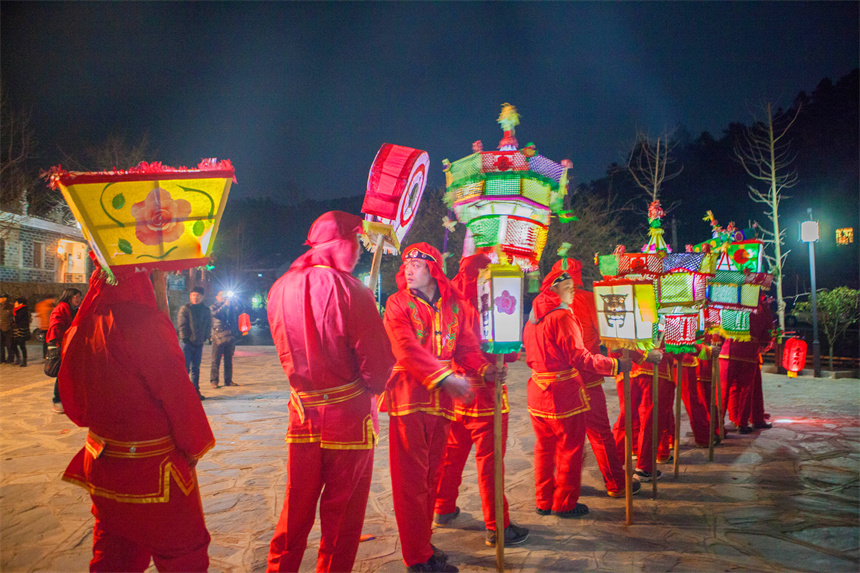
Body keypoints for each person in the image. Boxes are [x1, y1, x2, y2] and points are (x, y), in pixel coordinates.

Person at [60, 261, 215, 571]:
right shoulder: (145, 324)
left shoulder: (83, 324)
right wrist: (193, 444)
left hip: (102, 461)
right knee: (183, 554)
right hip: (152, 468)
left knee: (114, 555)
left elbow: (74, 401)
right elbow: (177, 393)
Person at [265, 211, 395, 572]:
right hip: (349, 417)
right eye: (356, 243)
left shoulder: (279, 288)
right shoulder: (352, 290)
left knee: (295, 507)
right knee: (343, 514)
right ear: (341, 245)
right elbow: (378, 370)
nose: (359, 252)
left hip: (303, 414)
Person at [383, 242, 502, 573]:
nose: (408, 269)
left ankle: (422, 542)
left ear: (433, 269)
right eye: (406, 264)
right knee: (411, 482)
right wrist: (445, 377)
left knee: (431, 478)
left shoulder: (455, 306)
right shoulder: (397, 303)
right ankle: (417, 559)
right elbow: (405, 348)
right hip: (409, 399)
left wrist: (484, 369)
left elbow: (466, 348)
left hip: (443, 404)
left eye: (417, 265)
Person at [433, 253, 529, 548]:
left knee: (451, 455)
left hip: (454, 392)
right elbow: (510, 353)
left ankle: (443, 507)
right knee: (490, 463)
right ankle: (497, 525)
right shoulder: (492, 297)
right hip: (486, 394)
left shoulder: (447, 302)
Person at [524, 262, 632, 519]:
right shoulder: (562, 316)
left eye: (573, 285)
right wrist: (615, 364)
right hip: (563, 392)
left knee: (544, 448)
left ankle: (543, 499)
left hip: (537, 391)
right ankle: (564, 502)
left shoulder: (533, 317)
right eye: (567, 286)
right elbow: (580, 357)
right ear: (554, 289)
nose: (572, 291)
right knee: (571, 448)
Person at [565, 258, 641, 498]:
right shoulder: (588, 299)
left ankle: (565, 485)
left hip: (559, 382)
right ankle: (616, 483)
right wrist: (637, 356)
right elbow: (612, 335)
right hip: (587, 377)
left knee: (566, 437)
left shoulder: (544, 305)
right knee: (599, 432)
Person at [611, 346, 670, 482]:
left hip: (626, 367)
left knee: (625, 418)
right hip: (654, 367)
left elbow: (612, 344)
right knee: (650, 420)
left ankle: (613, 468)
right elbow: (676, 345)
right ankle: (644, 467)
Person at [719, 295, 774, 433]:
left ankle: (717, 425)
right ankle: (742, 423)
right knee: (745, 389)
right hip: (749, 351)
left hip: (728, 350)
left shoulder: (731, 302)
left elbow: (720, 327)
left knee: (724, 389)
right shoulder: (761, 308)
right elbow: (767, 333)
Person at [47, 288, 83, 414]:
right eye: (75, 296)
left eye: (79, 296)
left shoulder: (75, 309)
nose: (78, 299)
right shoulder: (61, 308)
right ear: (68, 297)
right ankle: (57, 401)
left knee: (71, 373)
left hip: (71, 345)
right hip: (61, 345)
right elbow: (55, 326)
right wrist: (59, 342)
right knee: (62, 373)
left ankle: (70, 400)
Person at [177, 287, 212, 400]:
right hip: (187, 343)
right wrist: (184, 338)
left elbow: (208, 324)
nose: (195, 298)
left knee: (196, 368)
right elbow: (182, 324)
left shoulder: (206, 310)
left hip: (199, 342)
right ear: (190, 296)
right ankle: (182, 392)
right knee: (185, 368)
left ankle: (196, 391)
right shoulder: (185, 309)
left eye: (198, 296)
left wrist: (206, 336)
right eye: (193, 295)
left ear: (202, 297)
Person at [209, 290, 239, 388]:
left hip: (230, 335)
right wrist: (225, 305)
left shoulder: (231, 305)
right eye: (221, 295)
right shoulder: (213, 306)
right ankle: (214, 381)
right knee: (216, 360)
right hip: (218, 336)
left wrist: (236, 301)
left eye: (225, 295)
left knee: (228, 359)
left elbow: (240, 311)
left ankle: (228, 380)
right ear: (216, 297)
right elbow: (216, 314)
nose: (223, 297)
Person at [10, 297, 30, 367]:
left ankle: (24, 360)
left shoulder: (23, 310)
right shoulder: (16, 310)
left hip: (22, 330)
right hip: (16, 330)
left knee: (22, 345)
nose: (14, 304)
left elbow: (18, 319)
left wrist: (14, 318)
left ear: (20, 303)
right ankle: (18, 358)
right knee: (13, 344)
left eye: (16, 302)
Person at [0, 293, 12, 363]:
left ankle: (10, 358)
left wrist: (10, 323)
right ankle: (2, 358)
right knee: (1, 344)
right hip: (1, 327)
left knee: (9, 344)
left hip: (7, 327)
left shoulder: (9, 306)